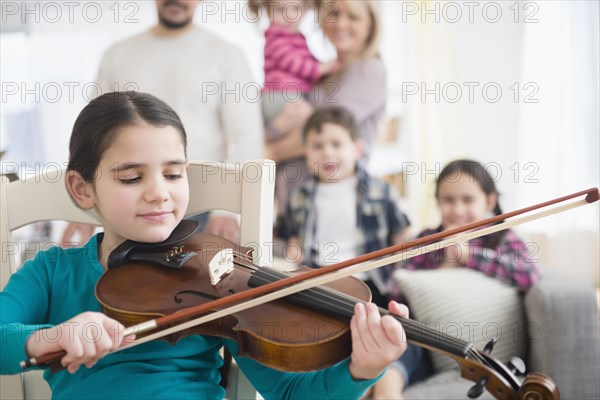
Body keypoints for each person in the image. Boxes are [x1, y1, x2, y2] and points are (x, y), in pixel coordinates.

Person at [0, 91, 409, 399]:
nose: (159, 194)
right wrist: (52, 337)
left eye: (174, 174)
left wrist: (361, 369)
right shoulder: (53, 272)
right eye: (131, 178)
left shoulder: (215, 276)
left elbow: (290, 394)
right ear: (81, 188)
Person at [60, 0, 263, 246]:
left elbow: (247, 137)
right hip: (129, 207)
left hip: (204, 211)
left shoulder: (227, 55)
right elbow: (91, 136)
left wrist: (225, 210)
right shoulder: (117, 55)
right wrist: (85, 210)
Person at [373, 159, 542, 400]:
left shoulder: (502, 237)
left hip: (483, 341)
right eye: (448, 200)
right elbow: (396, 292)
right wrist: (444, 266)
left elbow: (529, 275)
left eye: (468, 200)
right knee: (400, 342)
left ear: (490, 201)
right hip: (428, 345)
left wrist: (468, 256)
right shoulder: (427, 240)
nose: (457, 210)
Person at [277, 106, 410, 308]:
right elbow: (289, 235)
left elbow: (401, 235)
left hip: (368, 282)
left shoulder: (381, 190)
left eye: (337, 144)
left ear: (357, 149)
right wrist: (293, 247)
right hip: (318, 279)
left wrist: (402, 273)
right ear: (307, 153)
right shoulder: (299, 197)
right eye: (318, 146)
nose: (327, 152)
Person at [264, 0, 386, 220]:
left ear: (370, 25)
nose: (340, 23)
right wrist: (275, 127)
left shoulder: (368, 70)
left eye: (353, 17)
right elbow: (288, 122)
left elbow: (324, 133)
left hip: (333, 203)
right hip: (292, 204)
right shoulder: (323, 74)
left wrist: (267, 153)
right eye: (334, 14)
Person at [247, 0, 339, 129]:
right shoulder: (275, 35)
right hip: (279, 94)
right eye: (280, 10)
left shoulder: (298, 37)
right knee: (312, 118)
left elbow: (308, 61)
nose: (289, 16)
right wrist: (320, 68)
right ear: (268, 12)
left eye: (295, 9)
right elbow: (291, 62)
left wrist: (325, 68)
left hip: (293, 94)